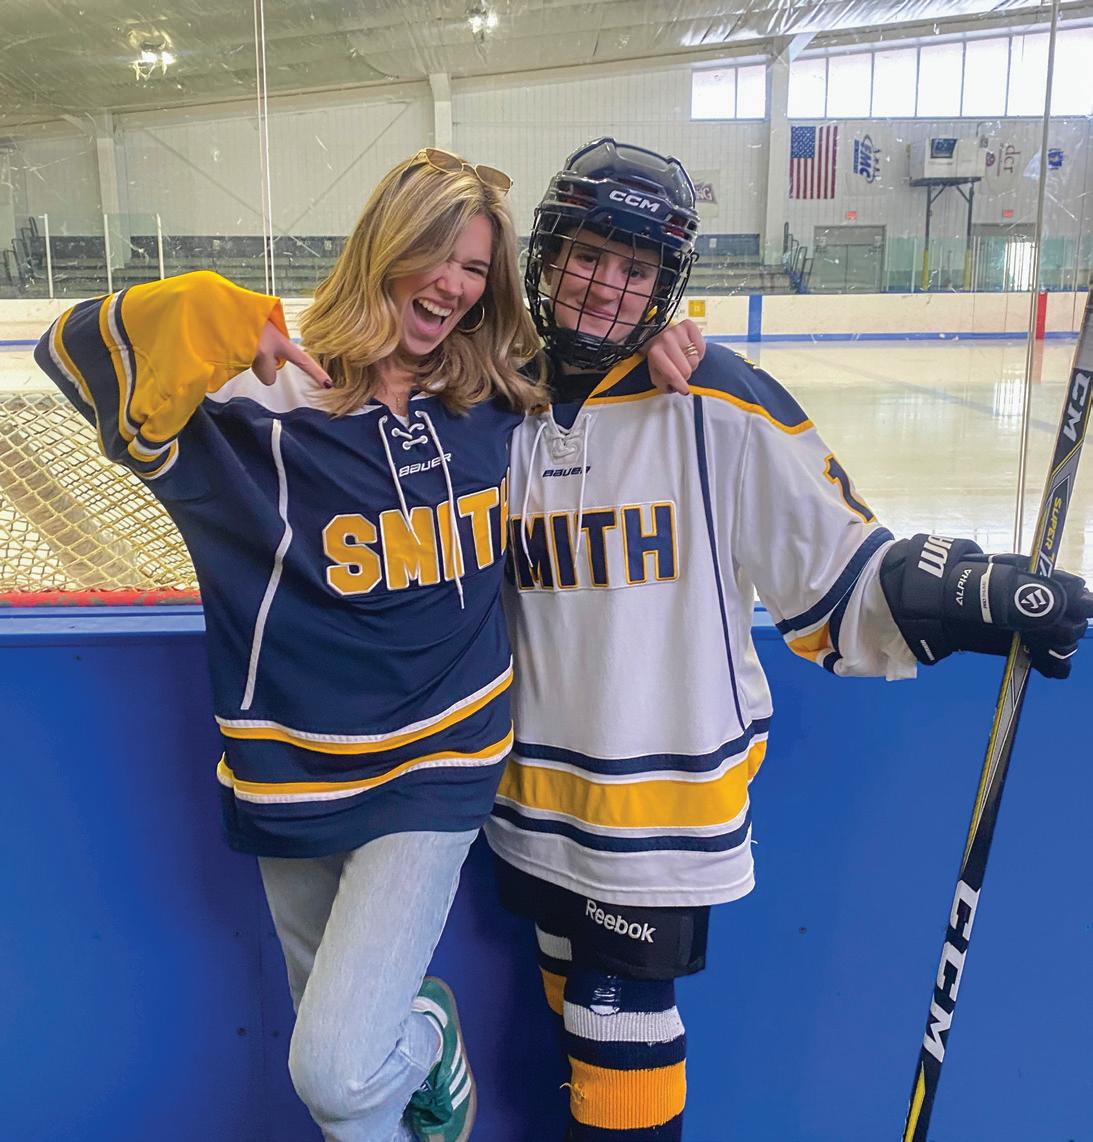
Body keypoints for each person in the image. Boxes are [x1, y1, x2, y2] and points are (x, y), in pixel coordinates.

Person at [33, 145, 698, 1142]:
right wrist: (212, 314)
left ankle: (428, 1029)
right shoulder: (256, 403)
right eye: (437, 253)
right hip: (289, 773)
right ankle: (414, 1052)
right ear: (383, 246)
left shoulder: (494, 395)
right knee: (347, 1095)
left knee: (339, 1068)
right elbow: (74, 354)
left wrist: (667, 344)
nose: (453, 283)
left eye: (474, 268)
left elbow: (604, 357)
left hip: (443, 762)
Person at [483, 138, 1093, 1142]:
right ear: (548, 254)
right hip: (528, 804)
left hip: (659, 810)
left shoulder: (716, 399)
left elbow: (837, 571)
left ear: (664, 284)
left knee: (614, 1026)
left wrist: (967, 589)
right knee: (568, 1015)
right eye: (590, 254)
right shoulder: (492, 405)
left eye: (635, 268)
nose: (605, 285)